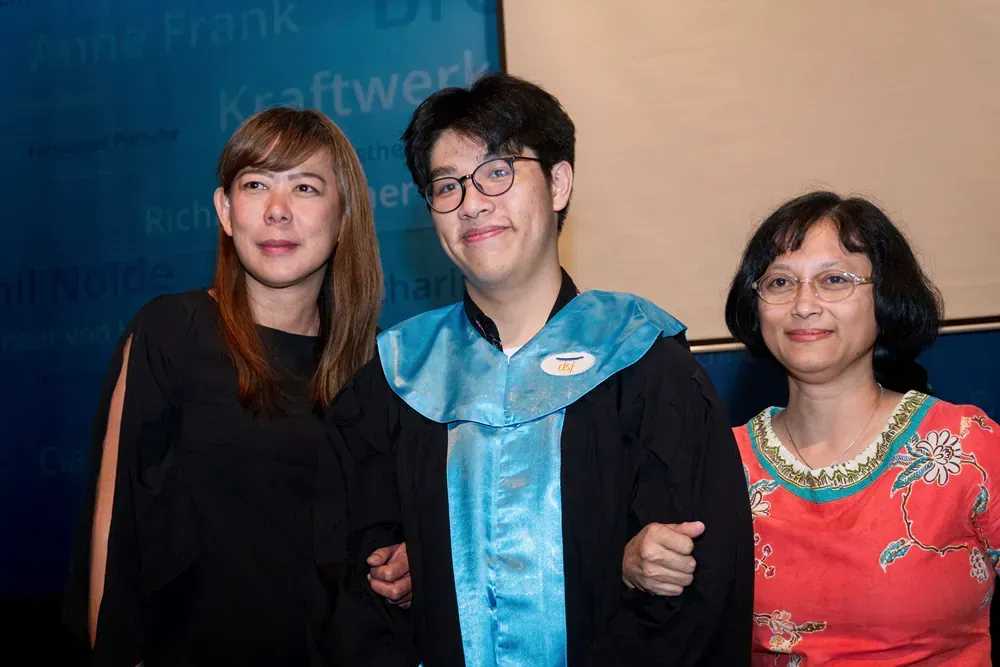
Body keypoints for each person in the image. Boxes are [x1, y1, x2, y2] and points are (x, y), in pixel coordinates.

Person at [328, 73, 753, 666]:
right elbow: (357, 569)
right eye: (446, 185)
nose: (472, 203)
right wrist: (392, 570)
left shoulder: (642, 361)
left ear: (558, 183)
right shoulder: (398, 376)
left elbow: (701, 588)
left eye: (498, 171)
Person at [63, 107, 411, 667]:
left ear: (344, 214)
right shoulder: (169, 333)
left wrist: (406, 566)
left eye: (304, 186)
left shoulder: (382, 368)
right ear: (226, 211)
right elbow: (112, 526)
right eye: (255, 185)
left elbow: (387, 545)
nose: (278, 211)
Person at [622, 191, 1000, 664]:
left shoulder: (967, 447)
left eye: (834, 280)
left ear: (885, 298)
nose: (804, 304)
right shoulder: (718, 461)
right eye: (780, 282)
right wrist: (635, 566)